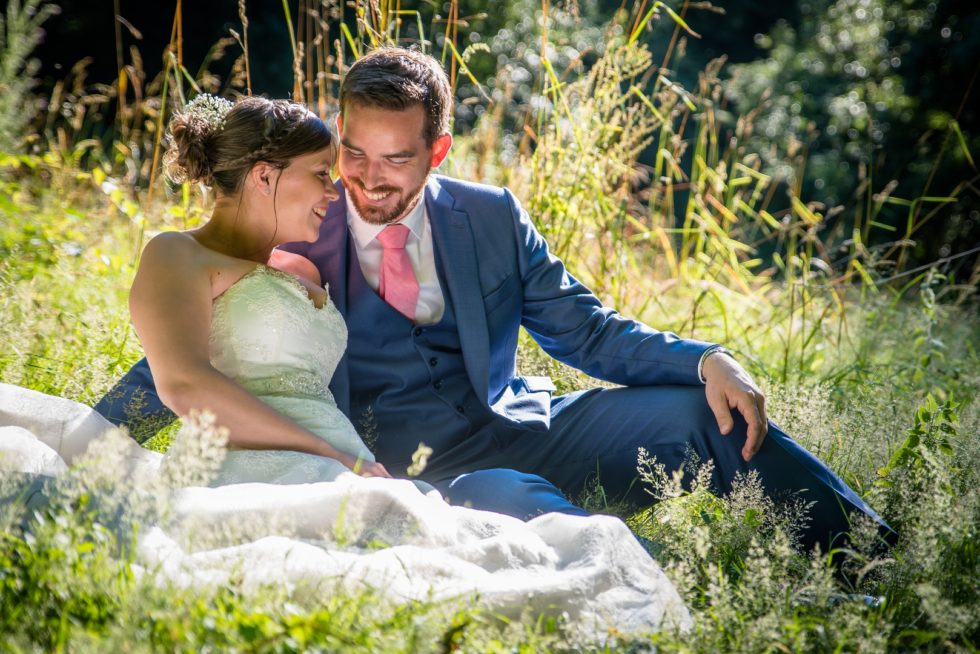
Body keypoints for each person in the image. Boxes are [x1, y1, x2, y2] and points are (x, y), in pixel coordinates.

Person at [97, 48, 895, 555]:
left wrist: (706, 359)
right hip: (422, 473)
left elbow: (585, 330)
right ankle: (641, 605)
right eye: (354, 155)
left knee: (704, 412)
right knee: (525, 510)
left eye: (397, 159)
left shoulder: (489, 214)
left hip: (530, 425)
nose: (369, 180)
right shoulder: (295, 224)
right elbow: (207, 353)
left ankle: (876, 559)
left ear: (437, 149)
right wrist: (94, 448)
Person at [129, 94, 391, 484]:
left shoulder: (301, 269)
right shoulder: (177, 254)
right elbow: (184, 384)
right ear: (264, 176)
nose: (334, 192)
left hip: (347, 462)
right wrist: (330, 454)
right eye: (321, 173)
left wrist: (346, 459)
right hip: (241, 469)